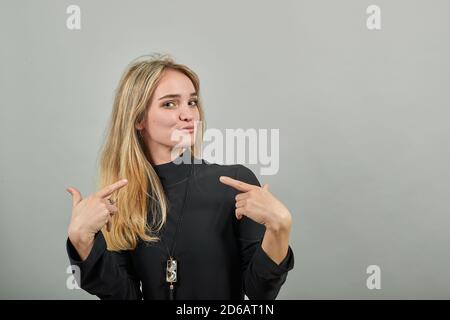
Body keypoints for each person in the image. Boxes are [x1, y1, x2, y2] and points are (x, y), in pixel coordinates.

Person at [65, 53, 294, 300]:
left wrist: (279, 228)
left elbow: (261, 293)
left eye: (192, 102)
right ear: (139, 118)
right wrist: (81, 241)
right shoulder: (122, 198)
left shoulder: (233, 182)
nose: (188, 115)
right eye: (169, 104)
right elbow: (125, 296)